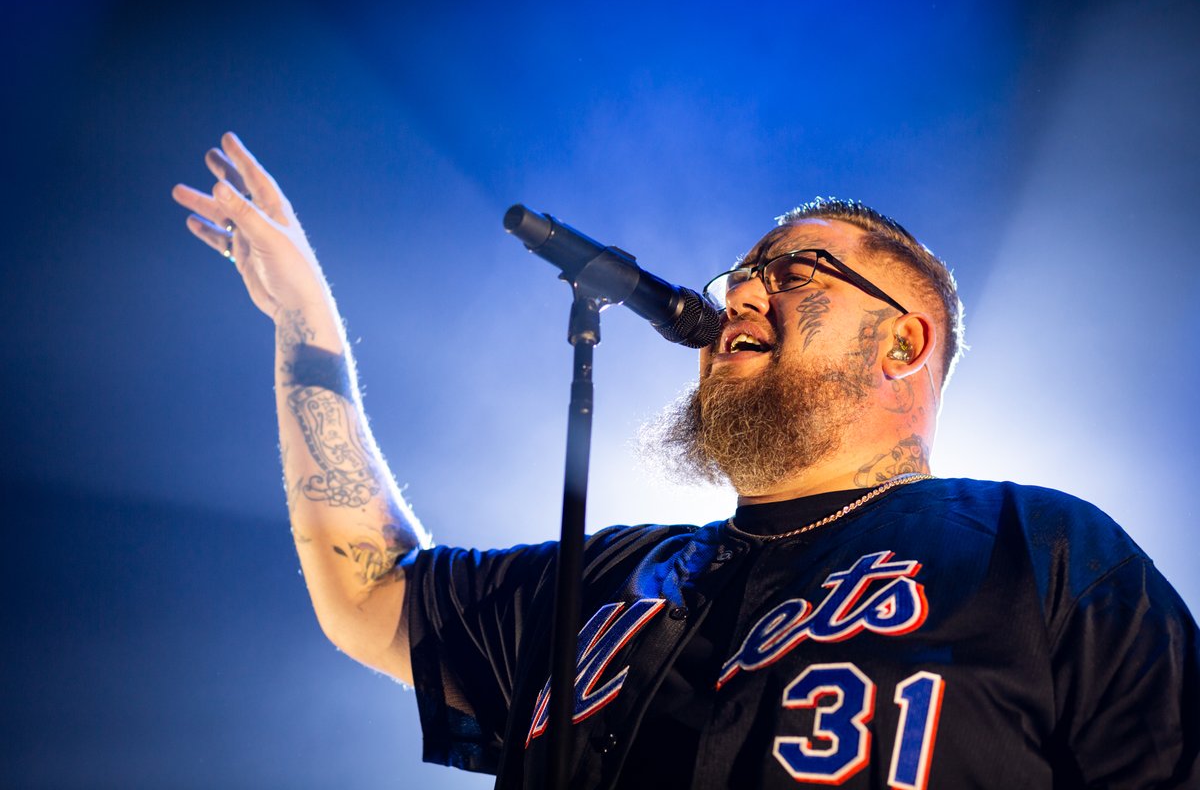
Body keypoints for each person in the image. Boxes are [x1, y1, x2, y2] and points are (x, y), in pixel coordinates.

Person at [173, 133, 1200, 789]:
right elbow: (371, 590)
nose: (741, 294)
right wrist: (308, 331)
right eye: (741, 272)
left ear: (905, 342)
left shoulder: (1043, 550)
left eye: (796, 270)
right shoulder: (608, 580)